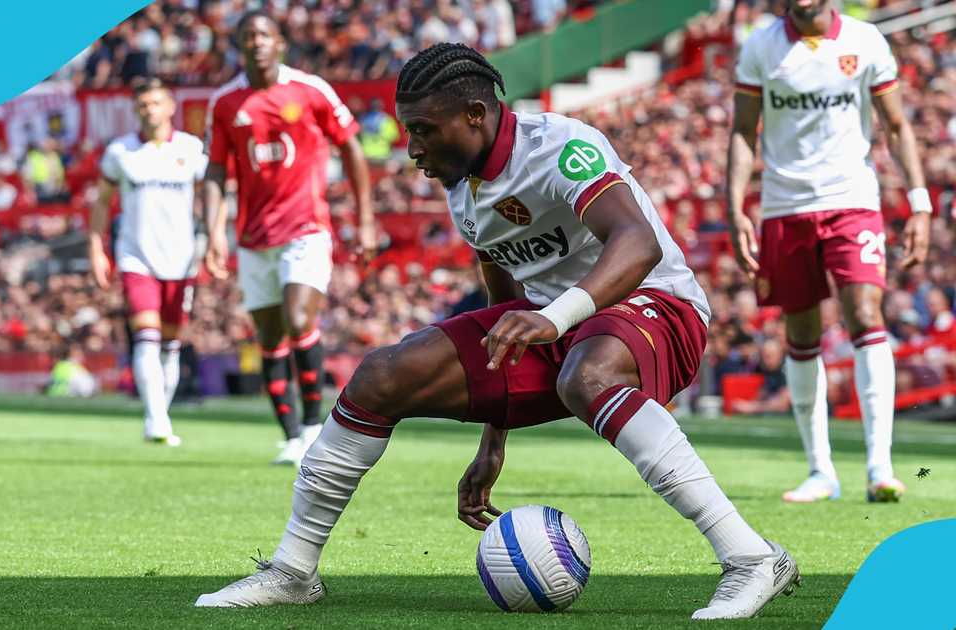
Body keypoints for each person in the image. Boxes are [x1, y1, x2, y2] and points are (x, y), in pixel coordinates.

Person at [195, 43, 797, 621]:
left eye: (424, 129)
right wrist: (494, 438)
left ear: (476, 115)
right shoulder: (464, 189)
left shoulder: (562, 146)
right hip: (556, 327)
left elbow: (636, 242)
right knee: (381, 376)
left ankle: (750, 557)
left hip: (656, 305)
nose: (412, 149)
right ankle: (293, 571)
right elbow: (506, 312)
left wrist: (553, 317)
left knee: (587, 376)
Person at [728, 0, 931, 503]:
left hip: (852, 201)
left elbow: (898, 126)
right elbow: (741, 131)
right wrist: (734, 207)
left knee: (865, 311)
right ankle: (822, 471)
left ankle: (879, 467)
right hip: (785, 206)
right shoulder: (760, 46)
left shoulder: (865, 41)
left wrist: (920, 202)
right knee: (801, 332)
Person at [203, 11, 376, 466]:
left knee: (299, 319)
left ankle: (314, 428)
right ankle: (289, 434)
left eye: (264, 34)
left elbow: (351, 147)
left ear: (279, 42)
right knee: (269, 336)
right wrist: (213, 234)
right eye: (247, 36)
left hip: (305, 228)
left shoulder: (311, 89)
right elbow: (216, 172)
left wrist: (366, 220)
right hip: (252, 237)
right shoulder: (225, 102)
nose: (256, 42)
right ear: (239, 46)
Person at [89, 78, 208, 446]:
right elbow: (101, 202)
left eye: (156, 103)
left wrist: (214, 237)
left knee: (170, 344)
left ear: (171, 106)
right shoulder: (121, 152)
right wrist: (96, 248)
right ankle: (155, 419)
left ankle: (161, 414)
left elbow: (212, 196)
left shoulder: (191, 149)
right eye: (143, 104)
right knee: (146, 336)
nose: (149, 110)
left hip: (182, 258)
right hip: (136, 256)